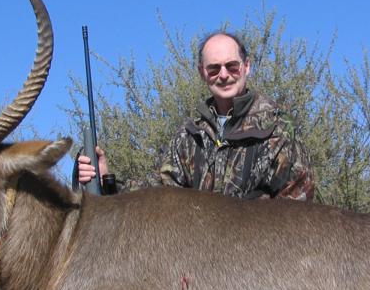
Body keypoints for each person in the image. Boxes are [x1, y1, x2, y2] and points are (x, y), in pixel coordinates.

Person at [78, 31, 314, 200]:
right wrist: (108, 180)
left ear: (246, 67)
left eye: (232, 66)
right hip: (200, 261)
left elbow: (297, 209)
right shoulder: (190, 135)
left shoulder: (278, 128)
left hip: (261, 260)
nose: (223, 75)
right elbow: (162, 191)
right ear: (202, 73)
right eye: (214, 68)